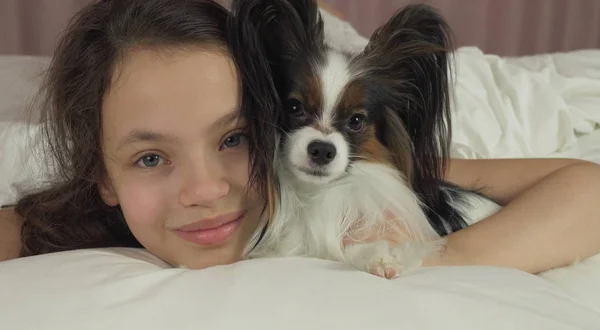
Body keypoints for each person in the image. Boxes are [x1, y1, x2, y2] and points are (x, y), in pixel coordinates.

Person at [1, 0, 600, 275]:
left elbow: (586, 188)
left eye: (234, 138)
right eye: (150, 156)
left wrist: (435, 247)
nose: (204, 190)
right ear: (101, 176)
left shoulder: (374, 184)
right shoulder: (82, 222)